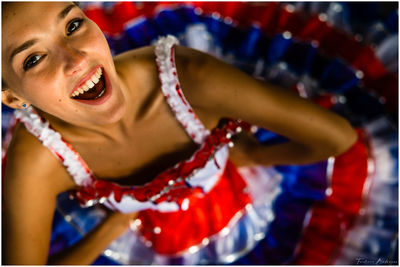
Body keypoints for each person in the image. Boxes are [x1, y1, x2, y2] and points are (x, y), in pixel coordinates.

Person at [2, 2, 362, 265]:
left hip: (239, 207)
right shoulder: (37, 159)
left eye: (73, 25)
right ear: (12, 97)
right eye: (33, 59)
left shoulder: (190, 80)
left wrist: (254, 155)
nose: (77, 59)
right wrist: (108, 232)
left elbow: (338, 138)